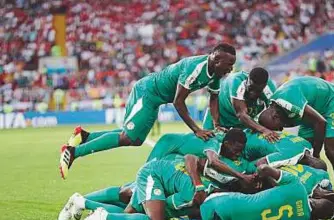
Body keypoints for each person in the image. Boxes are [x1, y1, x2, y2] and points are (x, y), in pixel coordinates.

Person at [59, 43, 236, 179]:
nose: (231, 69)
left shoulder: (216, 75)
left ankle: (84, 137)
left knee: (135, 139)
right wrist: (197, 130)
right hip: (147, 93)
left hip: (156, 99)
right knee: (127, 137)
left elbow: (214, 99)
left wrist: (217, 124)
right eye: (229, 65)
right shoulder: (195, 68)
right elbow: (178, 101)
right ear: (216, 59)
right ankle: (73, 152)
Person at [265, 76, 334, 216]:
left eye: (279, 126)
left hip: (331, 104)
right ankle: (325, 191)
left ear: (275, 115)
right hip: (310, 113)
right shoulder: (274, 107)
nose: (281, 129)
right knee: (305, 157)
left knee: (332, 152)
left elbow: (321, 122)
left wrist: (317, 154)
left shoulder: (287, 101)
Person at [79, 155, 218, 220]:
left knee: (128, 214)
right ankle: (102, 216)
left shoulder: (202, 183)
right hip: (151, 175)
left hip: (161, 177)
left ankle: (82, 202)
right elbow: (169, 206)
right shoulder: (192, 194)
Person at [198, 165, 334, 220]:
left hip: (226, 203)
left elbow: (263, 168)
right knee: (210, 217)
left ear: (316, 199)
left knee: (211, 195)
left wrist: (259, 176)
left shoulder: (298, 187)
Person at [146, 128, 255, 184]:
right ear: (226, 144)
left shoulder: (226, 140)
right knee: (147, 176)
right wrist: (241, 176)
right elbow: (214, 162)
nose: (238, 154)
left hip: (177, 153)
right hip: (167, 144)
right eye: (236, 150)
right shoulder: (214, 143)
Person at [202, 68, 279, 142]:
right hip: (219, 116)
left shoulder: (270, 89)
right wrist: (264, 130)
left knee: (238, 149)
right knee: (207, 143)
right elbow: (241, 115)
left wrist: (271, 130)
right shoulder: (236, 81)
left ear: (265, 86)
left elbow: (275, 114)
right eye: (250, 88)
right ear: (247, 80)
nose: (253, 94)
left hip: (243, 123)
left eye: (258, 91)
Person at [244, 109, 327, 170]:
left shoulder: (308, 145)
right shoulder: (289, 155)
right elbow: (259, 164)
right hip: (244, 145)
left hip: (251, 132)